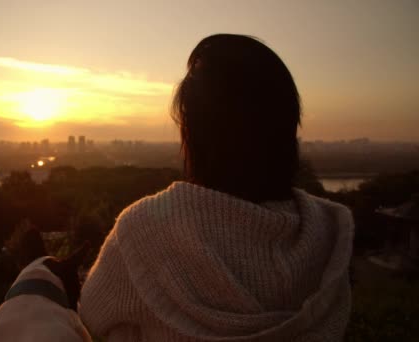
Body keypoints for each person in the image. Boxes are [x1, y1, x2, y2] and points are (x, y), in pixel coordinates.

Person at [79, 34, 354, 341]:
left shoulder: (143, 233)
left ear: (193, 133)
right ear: (289, 126)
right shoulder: (329, 236)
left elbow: (89, 319)